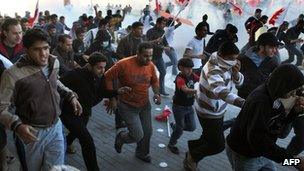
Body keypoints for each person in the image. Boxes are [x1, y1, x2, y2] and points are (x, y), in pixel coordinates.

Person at [0, 28, 82, 171]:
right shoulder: (12, 74)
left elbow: (55, 82)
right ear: (26, 50)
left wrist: (70, 95)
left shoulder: (53, 62)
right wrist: (17, 126)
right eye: (37, 50)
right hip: (31, 133)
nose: (43, 54)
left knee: (56, 168)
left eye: (46, 48)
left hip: (56, 127)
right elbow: (1, 108)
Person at [60, 52, 131, 171]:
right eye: (99, 67)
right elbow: (57, 86)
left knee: (75, 134)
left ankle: (65, 144)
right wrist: (68, 97)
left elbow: (102, 92)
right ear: (89, 65)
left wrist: (117, 92)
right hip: (69, 114)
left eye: (104, 67)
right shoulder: (74, 75)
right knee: (87, 142)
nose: (102, 70)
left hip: (85, 113)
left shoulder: (100, 77)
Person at [226, 64, 304, 171]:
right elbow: (258, 140)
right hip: (245, 155)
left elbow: (276, 125)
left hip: (263, 153)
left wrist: (294, 112)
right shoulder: (261, 101)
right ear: (283, 85)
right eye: (292, 90)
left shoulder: (274, 94)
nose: (294, 94)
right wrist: (293, 161)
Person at [184, 42, 245, 170]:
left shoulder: (227, 63)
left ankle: (193, 148)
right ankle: (192, 157)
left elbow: (239, 82)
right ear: (222, 55)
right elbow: (221, 92)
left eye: (236, 58)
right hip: (208, 110)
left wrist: (236, 74)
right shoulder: (213, 68)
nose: (234, 62)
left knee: (208, 136)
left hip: (218, 109)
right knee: (217, 145)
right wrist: (244, 103)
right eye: (232, 58)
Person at [105, 42, 161, 163]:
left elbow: (155, 81)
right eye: (146, 56)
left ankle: (142, 153)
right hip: (127, 105)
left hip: (144, 105)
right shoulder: (123, 64)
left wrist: (156, 93)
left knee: (147, 133)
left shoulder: (150, 65)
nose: (149, 59)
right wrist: (112, 98)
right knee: (137, 135)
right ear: (138, 54)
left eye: (151, 56)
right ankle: (121, 137)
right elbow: (107, 77)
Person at [167, 58, 199, 154]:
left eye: (191, 68)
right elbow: (185, 89)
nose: (190, 71)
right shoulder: (179, 78)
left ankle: (175, 126)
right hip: (179, 107)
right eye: (187, 68)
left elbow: (201, 80)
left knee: (192, 127)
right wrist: (198, 91)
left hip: (189, 107)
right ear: (181, 68)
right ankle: (171, 144)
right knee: (180, 130)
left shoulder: (192, 75)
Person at [146, 17, 170, 96]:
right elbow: (147, 43)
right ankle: (143, 89)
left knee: (163, 72)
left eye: (164, 24)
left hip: (159, 56)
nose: (163, 25)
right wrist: (156, 41)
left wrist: (167, 46)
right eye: (162, 23)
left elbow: (165, 41)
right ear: (157, 23)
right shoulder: (150, 31)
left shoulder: (163, 32)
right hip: (150, 57)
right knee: (147, 74)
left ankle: (161, 90)